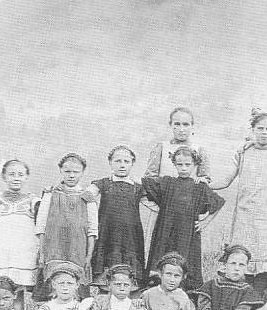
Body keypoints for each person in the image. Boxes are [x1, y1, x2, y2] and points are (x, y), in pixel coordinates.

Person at [212, 112, 267, 297]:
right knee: (242, 257)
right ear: (252, 130)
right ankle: (238, 297)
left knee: (265, 263)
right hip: (244, 217)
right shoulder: (243, 153)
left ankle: (258, 300)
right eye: (260, 128)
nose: (264, 132)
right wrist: (203, 184)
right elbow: (226, 180)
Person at [142, 145, 225, 290]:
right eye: (180, 164)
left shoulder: (199, 187)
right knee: (162, 258)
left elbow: (218, 203)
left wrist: (205, 222)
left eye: (188, 164)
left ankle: (184, 293)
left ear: (195, 165)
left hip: (187, 233)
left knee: (185, 260)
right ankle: (157, 290)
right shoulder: (167, 182)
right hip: (165, 231)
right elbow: (145, 184)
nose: (184, 168)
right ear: (174, 164)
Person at [141, 106, 212, 266]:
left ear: (192, 126)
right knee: (159, 251)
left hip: (186, 214)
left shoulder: (199, 150)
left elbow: (205, 182)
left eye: (186, 124)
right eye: (177, 124)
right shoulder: (162, 147)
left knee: (186, 254)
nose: (181, 129)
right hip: (162, 211)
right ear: (170, 125)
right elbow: (149, 180)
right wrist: (158, 206)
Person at [34, 153, 98, 299]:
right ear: (60, 170)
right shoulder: (50, 194)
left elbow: (92, 230)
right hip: (53, 249)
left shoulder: (88, 197)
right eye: (67, 171)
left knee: (75, 292)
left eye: (76, 172)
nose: (71, 175)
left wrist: (88, 256)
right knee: (52, 290)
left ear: (82, 172)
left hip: (77, 250)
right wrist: (42, 253)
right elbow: (41, 225)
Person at [88, 146, 147, 289]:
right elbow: (86, 195)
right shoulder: (103, 183)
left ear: (132, 163)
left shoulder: (138, 187)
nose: (122, 165)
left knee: (130, 280)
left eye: (126, 161)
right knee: (105, 280)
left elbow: (155, 204)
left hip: (131, 236)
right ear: (110, 162)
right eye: (118, 161)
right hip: (107, 234)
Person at [0, 159, 39, 307]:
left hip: (23, 253)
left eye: (20, 174)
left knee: (19, 292)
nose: (16, 178)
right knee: (1, 291)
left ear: (26, 177)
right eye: (11, 174)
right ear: (4, 177)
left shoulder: (33, 201)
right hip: (1, 254)